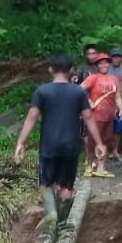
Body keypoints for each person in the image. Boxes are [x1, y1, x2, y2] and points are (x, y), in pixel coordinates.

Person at [14, 53, 105, 225]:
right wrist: (99, 143)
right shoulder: (78, 92)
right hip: (72, 145)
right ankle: (62, 220)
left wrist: (21, 142)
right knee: (67, 185)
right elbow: (89, 118)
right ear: (71, 70)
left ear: (50, 70)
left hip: (49, 145)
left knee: (46, 183)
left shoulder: (42, 91)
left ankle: (51, 214)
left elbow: (32, 117)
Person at [81, 54, 122, 178]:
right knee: (92, 142)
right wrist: (89, 101)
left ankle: (101, 167)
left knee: (106, 140)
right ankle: (89, 165)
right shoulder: (93, 78)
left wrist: (120, 108)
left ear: (109, 64)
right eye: (100, 63)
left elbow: (117, 96)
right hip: (95, 116)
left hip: (109, 115)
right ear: (97, 65)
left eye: (106, 63)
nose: (104, 65)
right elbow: (80, 89)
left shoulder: (114, 79)